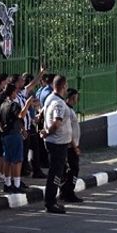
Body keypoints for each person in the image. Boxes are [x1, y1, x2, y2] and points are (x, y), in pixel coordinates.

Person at [40, 76, 73, 214]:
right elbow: (57, 123)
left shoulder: (50, 98)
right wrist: (47, 132)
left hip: (56, 142)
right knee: (55, 174)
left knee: (57, 172)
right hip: (57, 143)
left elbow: (41, 113)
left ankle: (52, 200)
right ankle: (50, 202)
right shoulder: (59, 103)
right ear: (63, 86)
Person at [61, 88, 85, 204]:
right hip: (70, 147)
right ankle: (68, 192)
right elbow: (68, 131)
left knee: (70, 170)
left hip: (72, 145)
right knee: (73, 170)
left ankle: (65, 192)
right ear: (72, 97)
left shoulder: (70, 110)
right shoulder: (68, 111)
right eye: (76, 97)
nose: (77, 99)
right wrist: (75, 147)